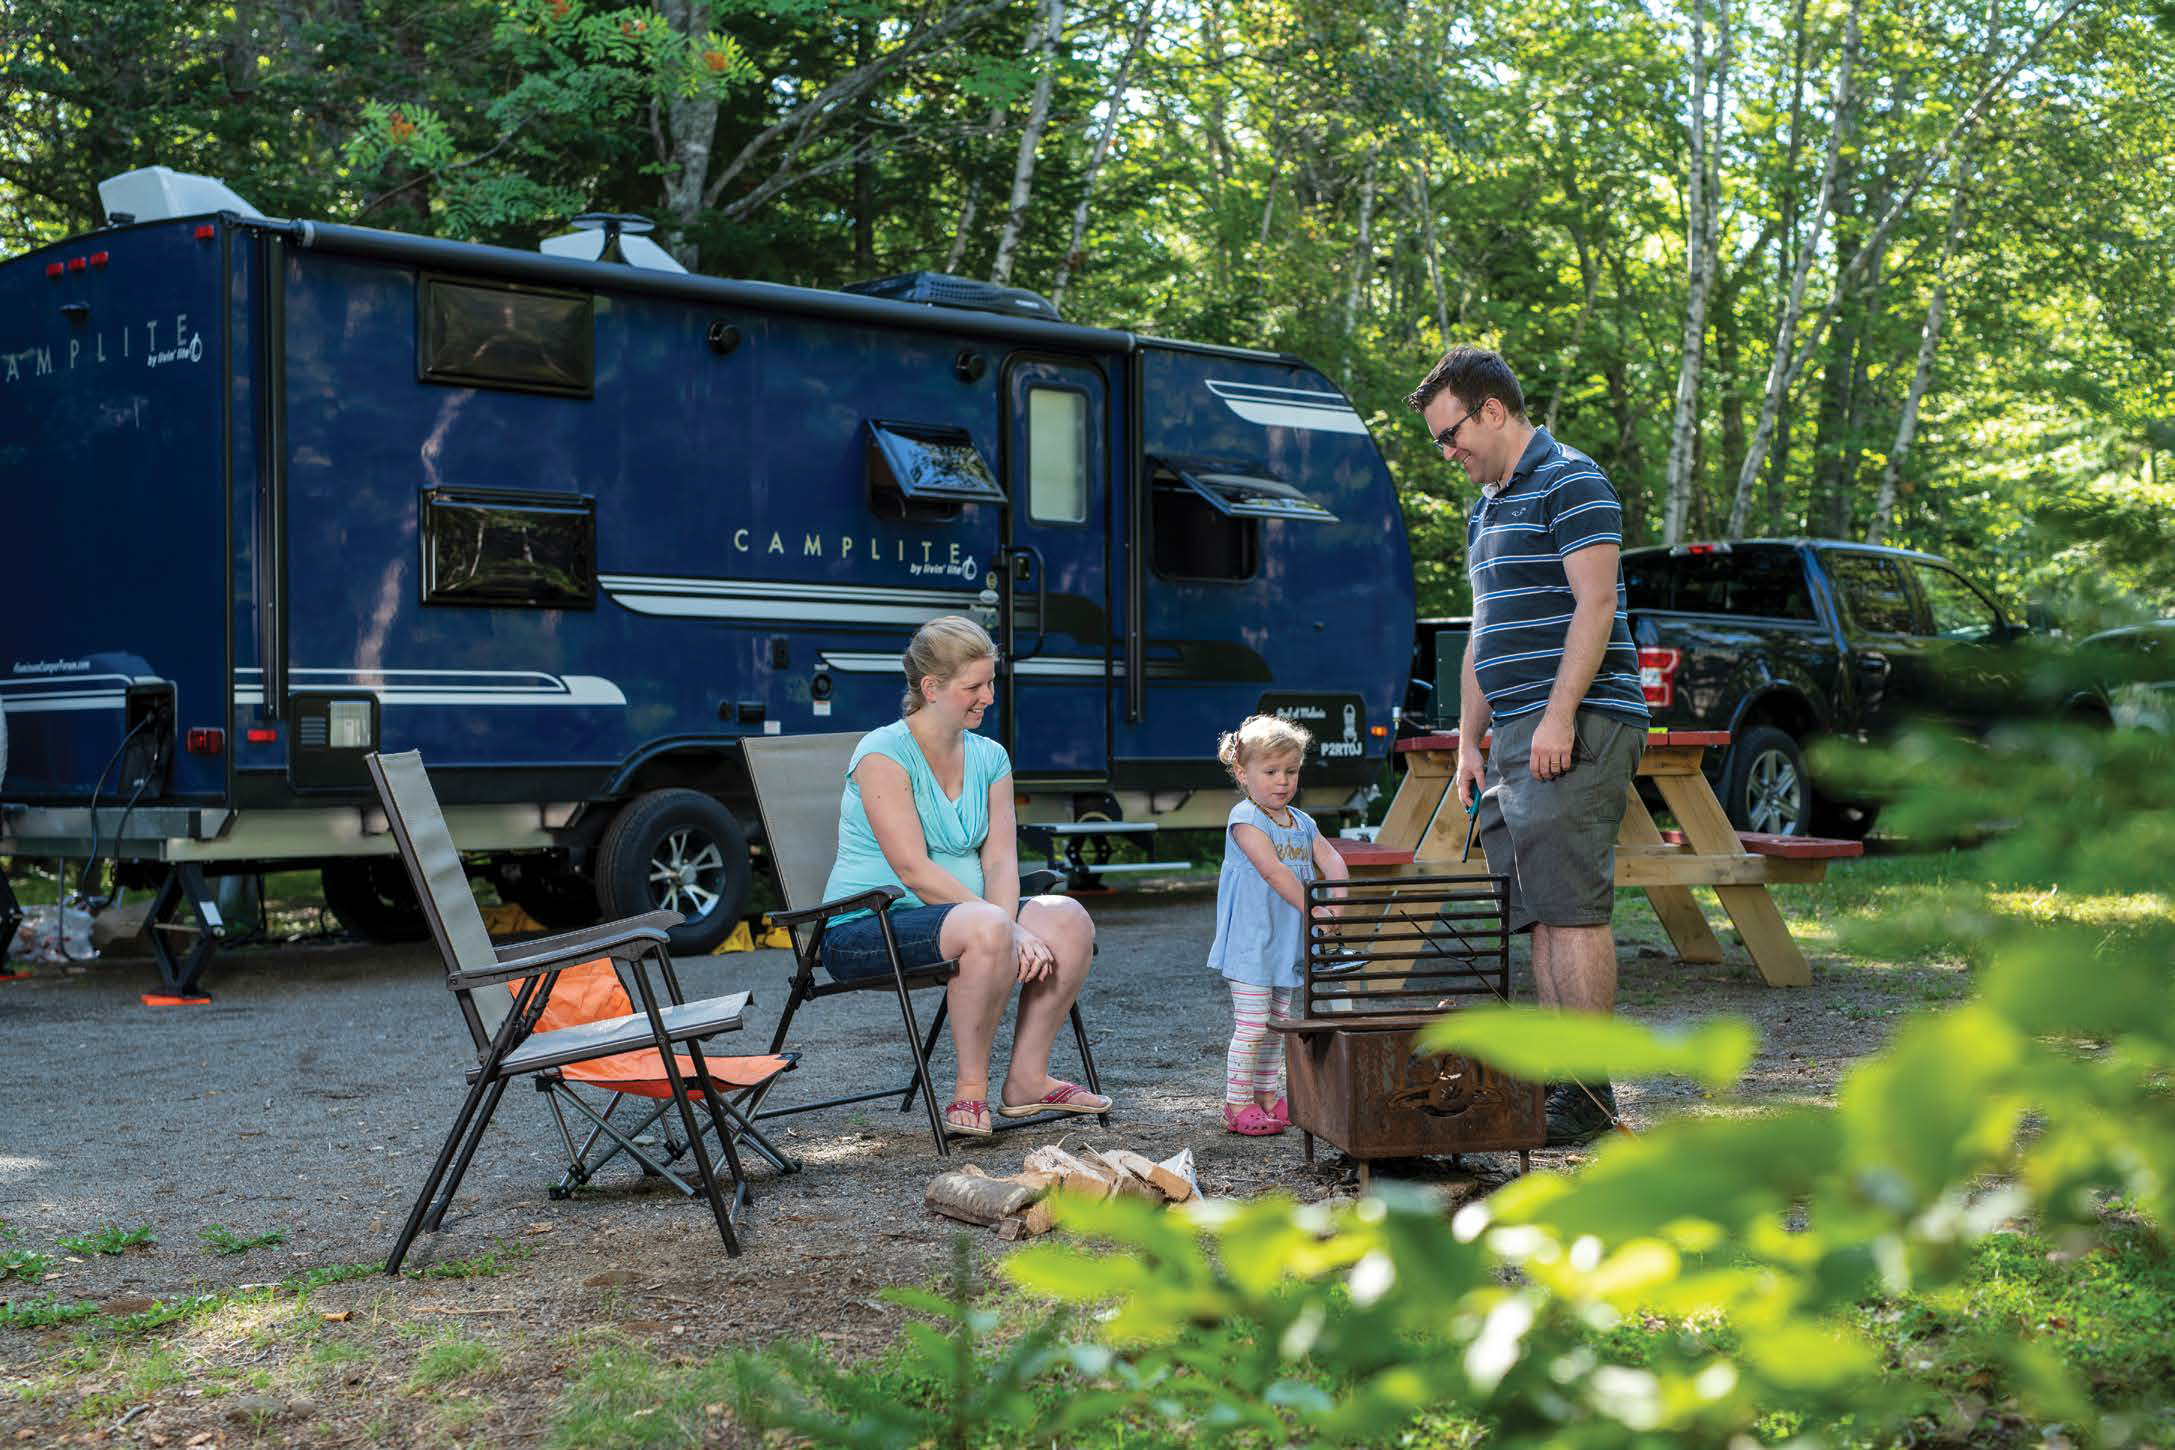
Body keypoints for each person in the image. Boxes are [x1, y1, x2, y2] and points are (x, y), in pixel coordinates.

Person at [1404, 346, 1650, 1147]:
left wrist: (1556, 715)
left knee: (1571, 912)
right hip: (1509, 735)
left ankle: (1591, 1094)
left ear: (1492, 411)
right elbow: (1484, 629)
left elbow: (1597, 602)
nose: (1448, 453)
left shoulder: (1571, 479)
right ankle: (1563, 1086)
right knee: (1538, 913)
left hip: (1574, 724)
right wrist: (1467, 741)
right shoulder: (1484, 507)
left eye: (1450, 435)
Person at [818, 615, 1108, 1139]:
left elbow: (999, 861)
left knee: (1066, 917)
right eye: (974, 686)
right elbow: (911, 869)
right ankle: (969, 1092)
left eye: (990, 682)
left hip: (970, 923)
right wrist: (1008, 927)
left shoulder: (990, 757)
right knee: (990, 926)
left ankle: (1025, 1079)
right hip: (868, 926)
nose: (988, 697)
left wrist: (1009, 921)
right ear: (931, 688)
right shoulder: (882, 754)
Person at [1205, 714, 1350, 1136]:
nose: (1282, 781)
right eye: (1270, 772)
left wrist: (1336, 906)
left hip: (1286, 944)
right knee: (1251, 1026)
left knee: (1278, 1025)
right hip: (1251, 943)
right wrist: (1315, 908)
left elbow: (1334, 861)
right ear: (1242, 772)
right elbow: (1273, 872)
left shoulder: (1303, 823)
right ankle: (1236, 1103)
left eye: (1291, 771)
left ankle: (1268, 1096)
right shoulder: (1246, 818)